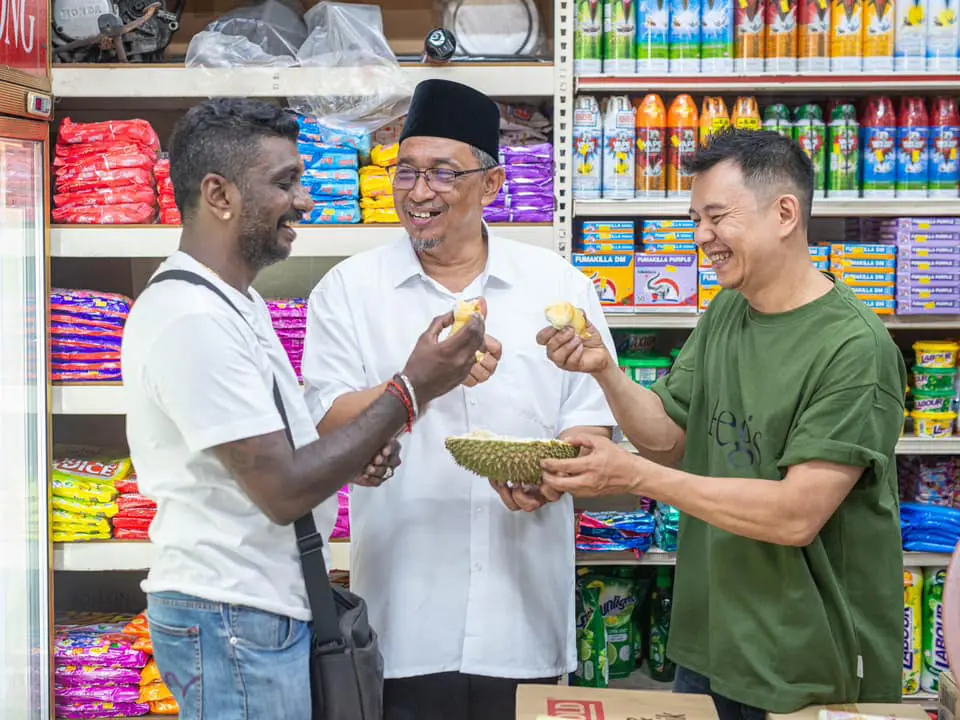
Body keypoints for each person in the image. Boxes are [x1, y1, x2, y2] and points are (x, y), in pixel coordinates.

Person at [121, 97, 487, 720]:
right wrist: (411, 388)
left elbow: (286, 458)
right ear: (219, 194)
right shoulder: (192, 319)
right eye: (285, 182)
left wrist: (356, 456)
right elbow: (283, 490)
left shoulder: (237, 305)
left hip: (257, 606)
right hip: (230, 612)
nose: (306, 201)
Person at [536, 128, 906, 718]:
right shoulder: (727, 310)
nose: (701, 236)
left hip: (804, 663)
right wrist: (604, 371)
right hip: (709, 644)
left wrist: (631, 476)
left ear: (785, 212)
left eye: (716, 216)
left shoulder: (855, 349)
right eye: (695, 218)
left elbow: (794, 516)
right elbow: (668, 439)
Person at [301, 78, 618, 720]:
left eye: (443, 174)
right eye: (407, 172)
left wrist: (550, 478)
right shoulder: (348, 290)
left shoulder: (557, 285)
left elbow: (594, 437)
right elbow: (327, 428)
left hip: (524, 621)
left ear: (492, 185)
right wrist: (419, 382)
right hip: (401, 624)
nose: (419, 193)